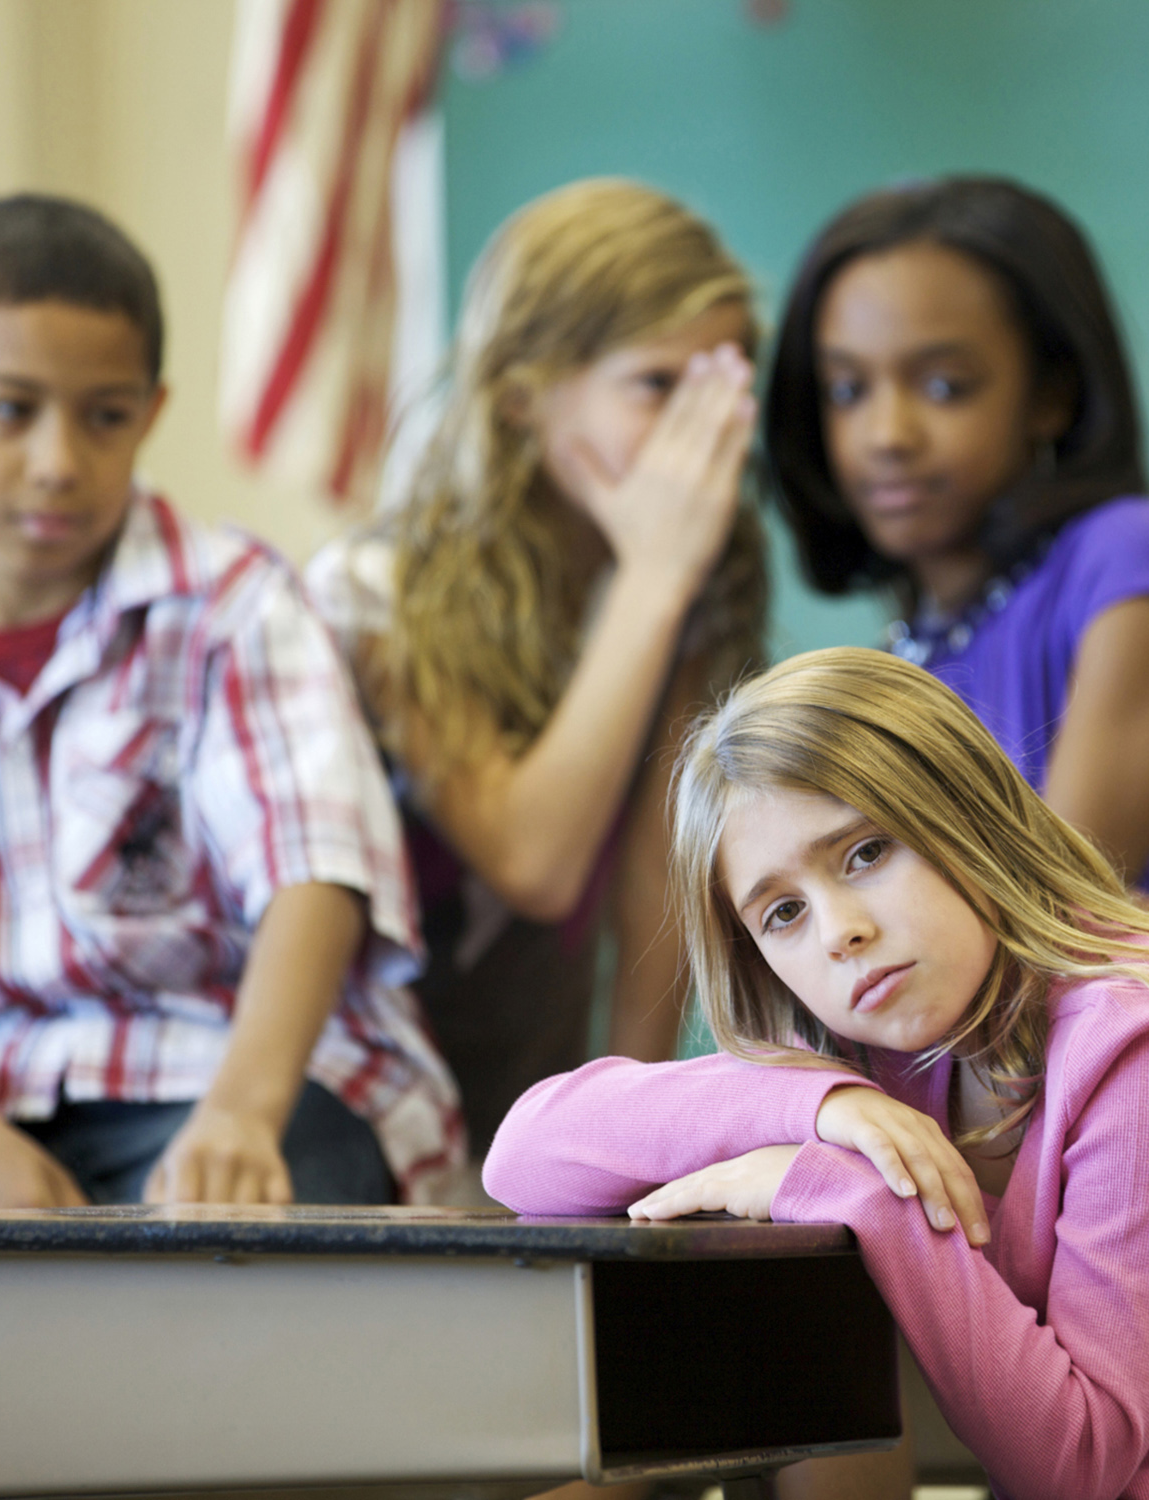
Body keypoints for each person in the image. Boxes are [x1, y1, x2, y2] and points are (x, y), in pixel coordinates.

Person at [485, 647, 1149, 1500]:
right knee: (675, 1377)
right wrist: (815, 1103)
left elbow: (1076, 1460)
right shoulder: (879, 1063)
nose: (838, 928)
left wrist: (855, 1191)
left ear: (965, 815)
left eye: (866, 852)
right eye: (781, 914)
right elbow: (522, 1155)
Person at [0, 195, 462, 1306]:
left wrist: (243, 1108)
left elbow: (314, 873)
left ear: (151, 414)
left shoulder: (234, 604)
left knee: (267, 1245)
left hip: (246, 1075)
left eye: (102, 417)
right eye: (9, 410)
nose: (57, 460)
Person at [307, 179, 766, 1162]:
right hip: (357, 1116)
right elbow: (536, 862)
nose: (705, 434)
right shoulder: (373, 595)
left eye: (723, 386)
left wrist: (629, 1140)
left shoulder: (680, 593)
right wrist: (651, 580)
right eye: (656, 385)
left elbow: (658, 898)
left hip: (524, 1104)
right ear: (521, 398)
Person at [764, 177, 1149, 940]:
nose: (886, 433)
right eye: (848, 389)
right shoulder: (906, 654)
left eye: (943, 386)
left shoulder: (1128, 561)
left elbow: (1045, 916)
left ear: (1051, 393)